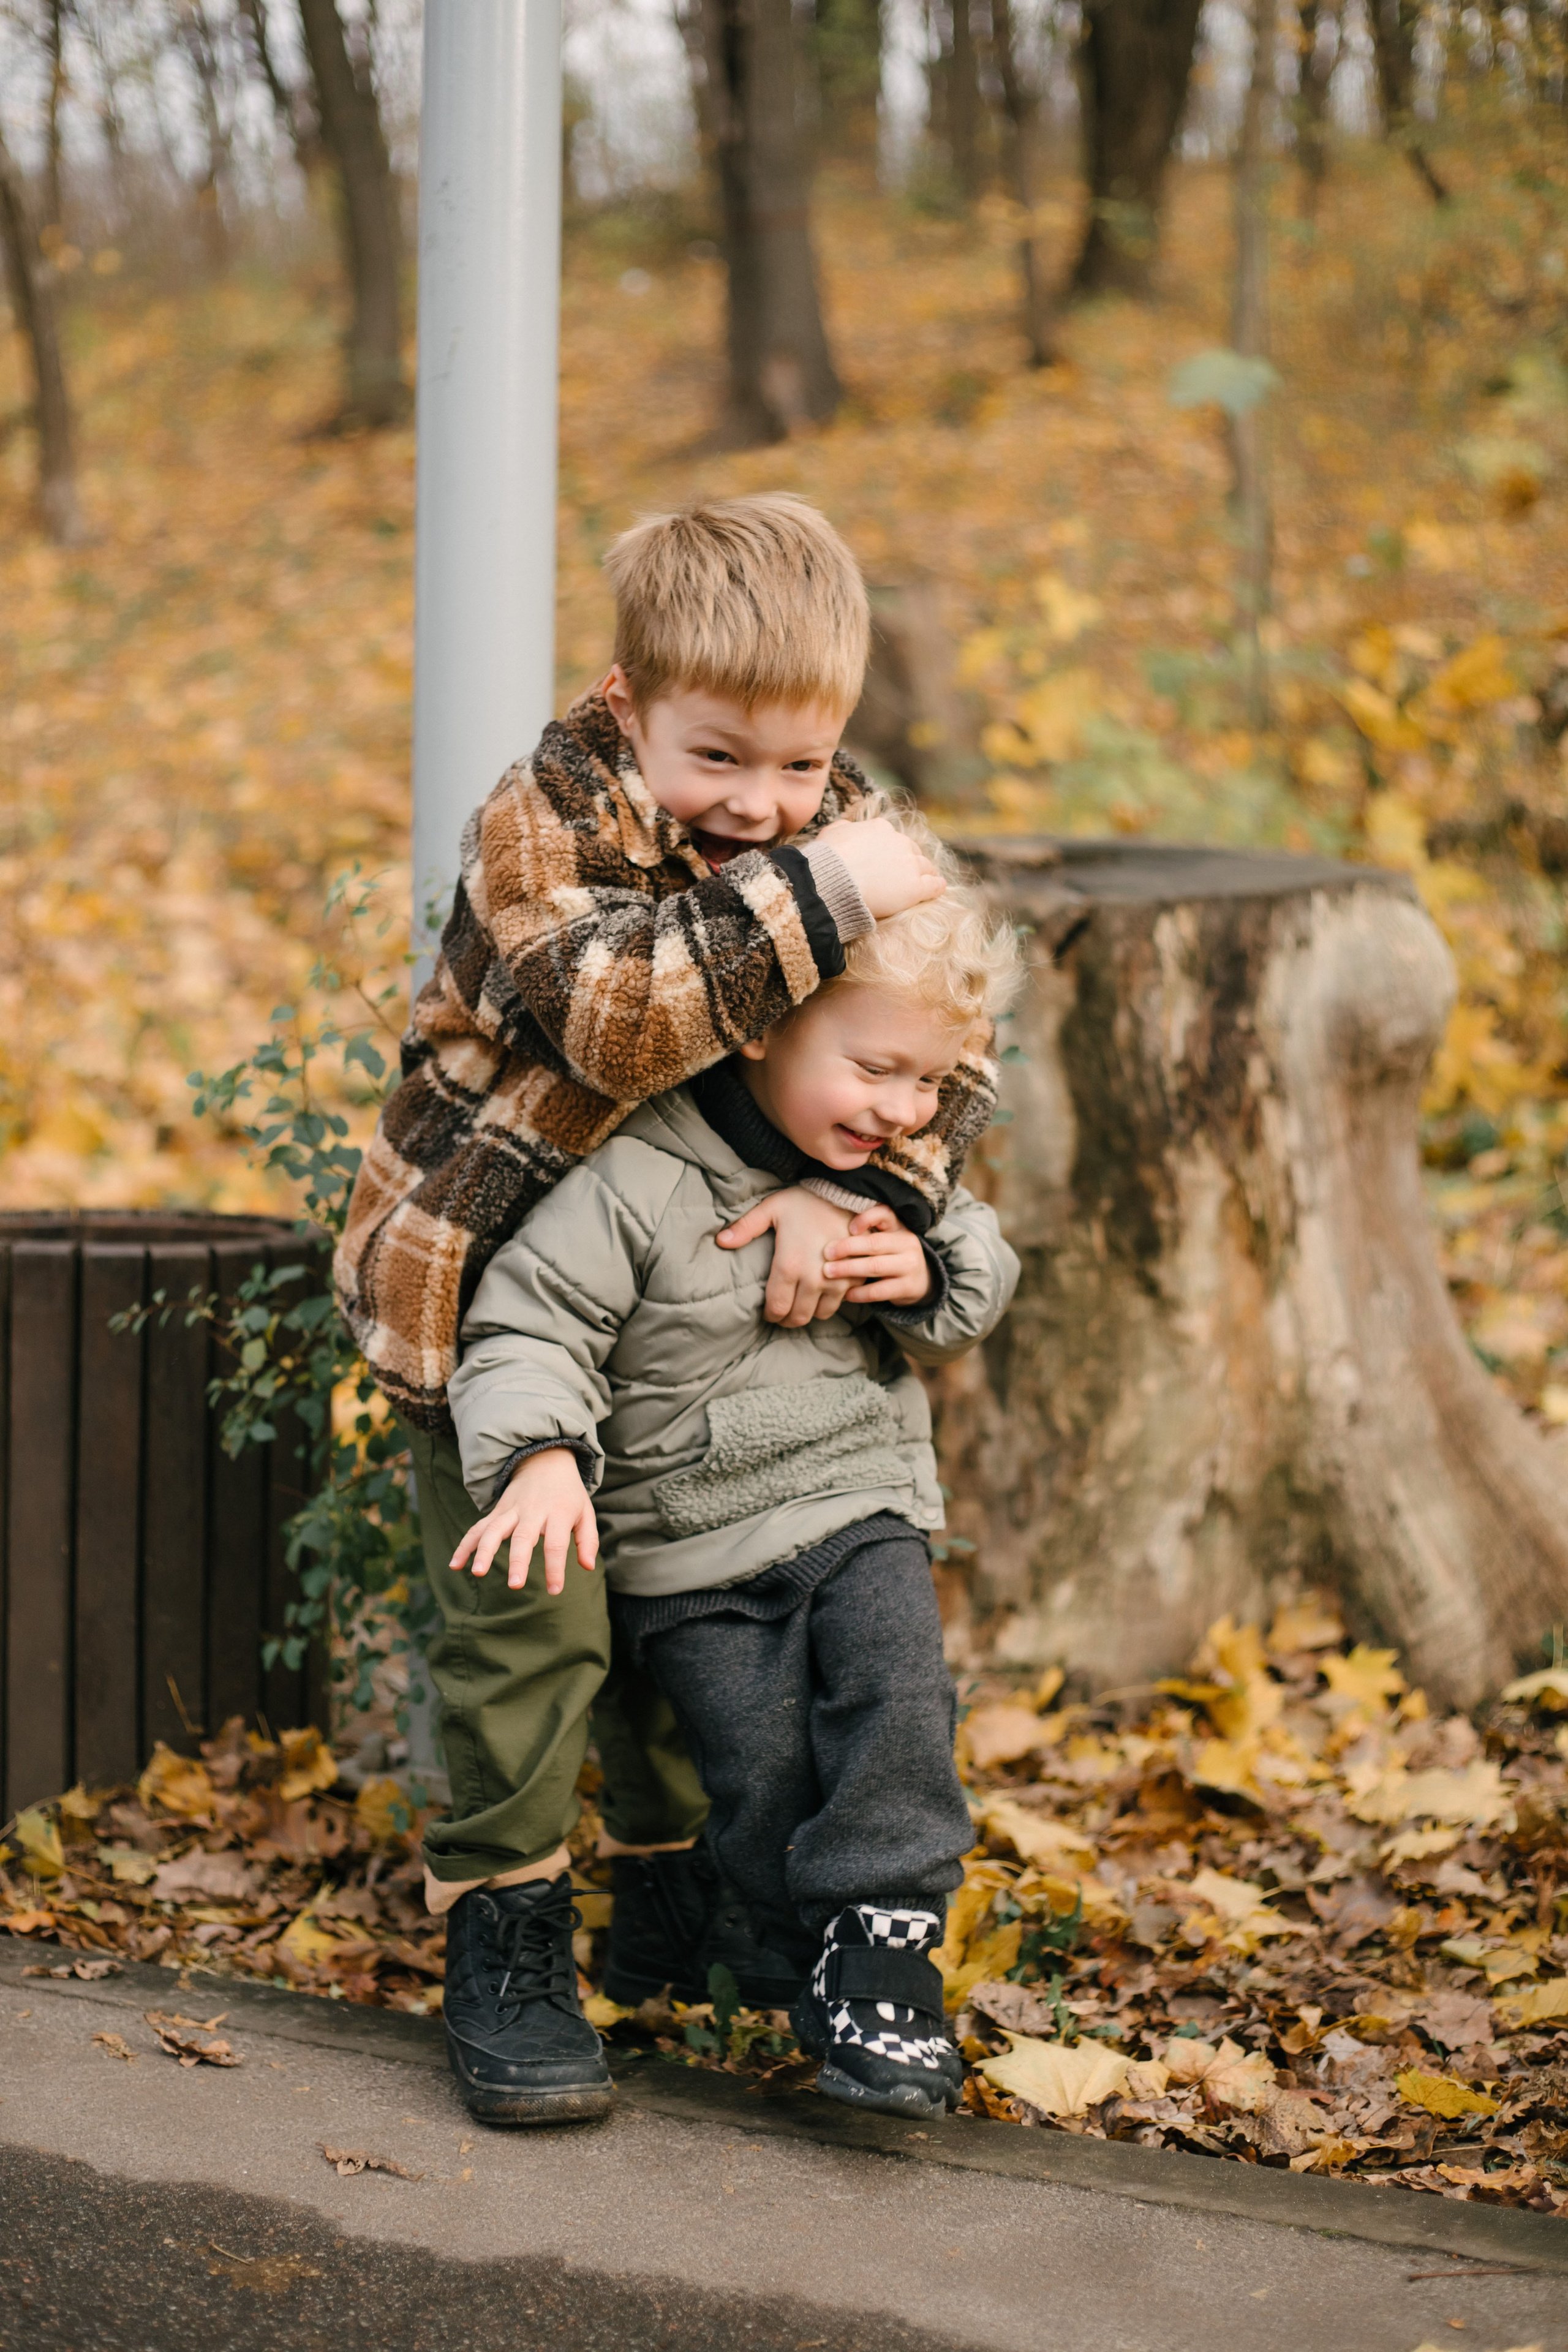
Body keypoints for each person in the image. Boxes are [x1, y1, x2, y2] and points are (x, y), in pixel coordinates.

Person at [334, 496, 1001, 2039]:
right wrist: (836, 888)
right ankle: (500, 1928)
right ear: (627, 705)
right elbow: (618, 1022)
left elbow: (942, 1039)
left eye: (801, 766)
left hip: (684, 1297)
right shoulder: (540, 818)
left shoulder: (835, 813)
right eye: (718, 759)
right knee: (537, 1618)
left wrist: (871, 1206)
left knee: (680, 1623)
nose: (765, 806)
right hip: (485, 1288)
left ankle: (666, 1902)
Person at [443, 853, 1022, 2124]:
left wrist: (921, 1272)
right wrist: (539, 1456)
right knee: (754, 1768)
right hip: (687, 1543)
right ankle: (790, 1959)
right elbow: (531, 1327)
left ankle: (882, 1953)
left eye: (929, 1081)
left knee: (895, 1706)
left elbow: (971, 1273)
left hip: (857, 1498)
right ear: (758, 1027)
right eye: (874, 1071)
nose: (901, 1111)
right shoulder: (635, 1172)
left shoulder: (887, 1180)